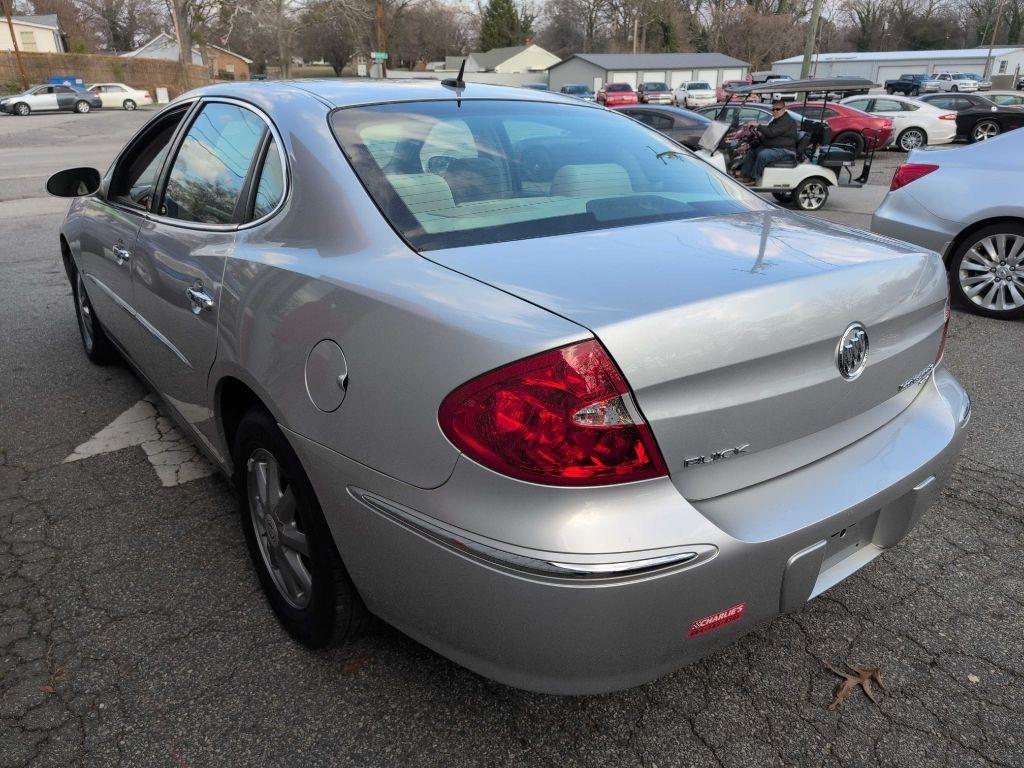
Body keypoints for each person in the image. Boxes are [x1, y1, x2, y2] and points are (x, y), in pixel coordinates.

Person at [735, 100, 798, 184]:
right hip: (774, 147)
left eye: (777, 109)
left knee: (763, 155)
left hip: (785, 149)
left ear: (784, 109)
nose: (775, 111)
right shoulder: (776, 120)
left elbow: (771, 133)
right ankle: (745, 174)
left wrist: (758, 125)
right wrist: (750, 144)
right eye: (773, 109)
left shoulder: (787, 121)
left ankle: (754, 178)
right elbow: (766, 135)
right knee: (752, 152)